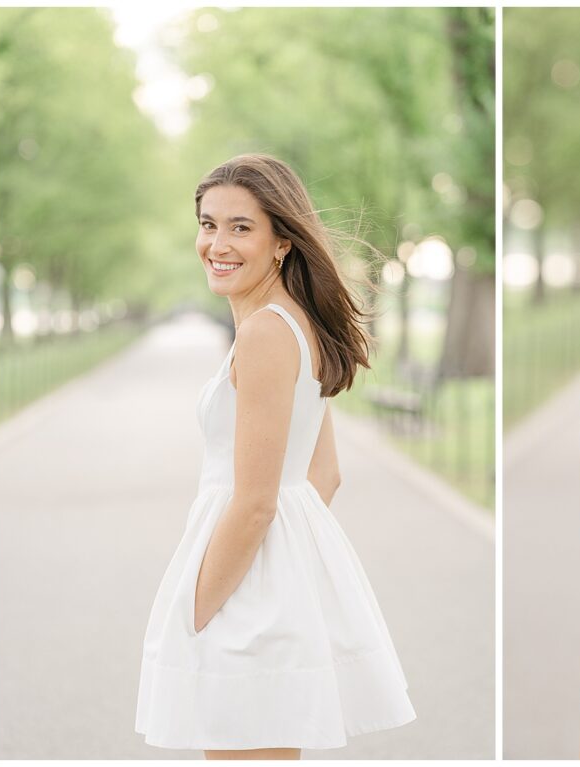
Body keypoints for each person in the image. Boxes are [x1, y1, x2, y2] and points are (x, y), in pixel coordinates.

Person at [135, 154, 416, 759]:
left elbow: (258, 501)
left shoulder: (267, 333)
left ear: (282, 242)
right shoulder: (296, 325)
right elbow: (324, 475)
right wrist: (288, 577)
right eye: (209, 224)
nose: (217, 243)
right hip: (269, 582)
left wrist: (197, 608)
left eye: (241, 227)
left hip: (243, 590)